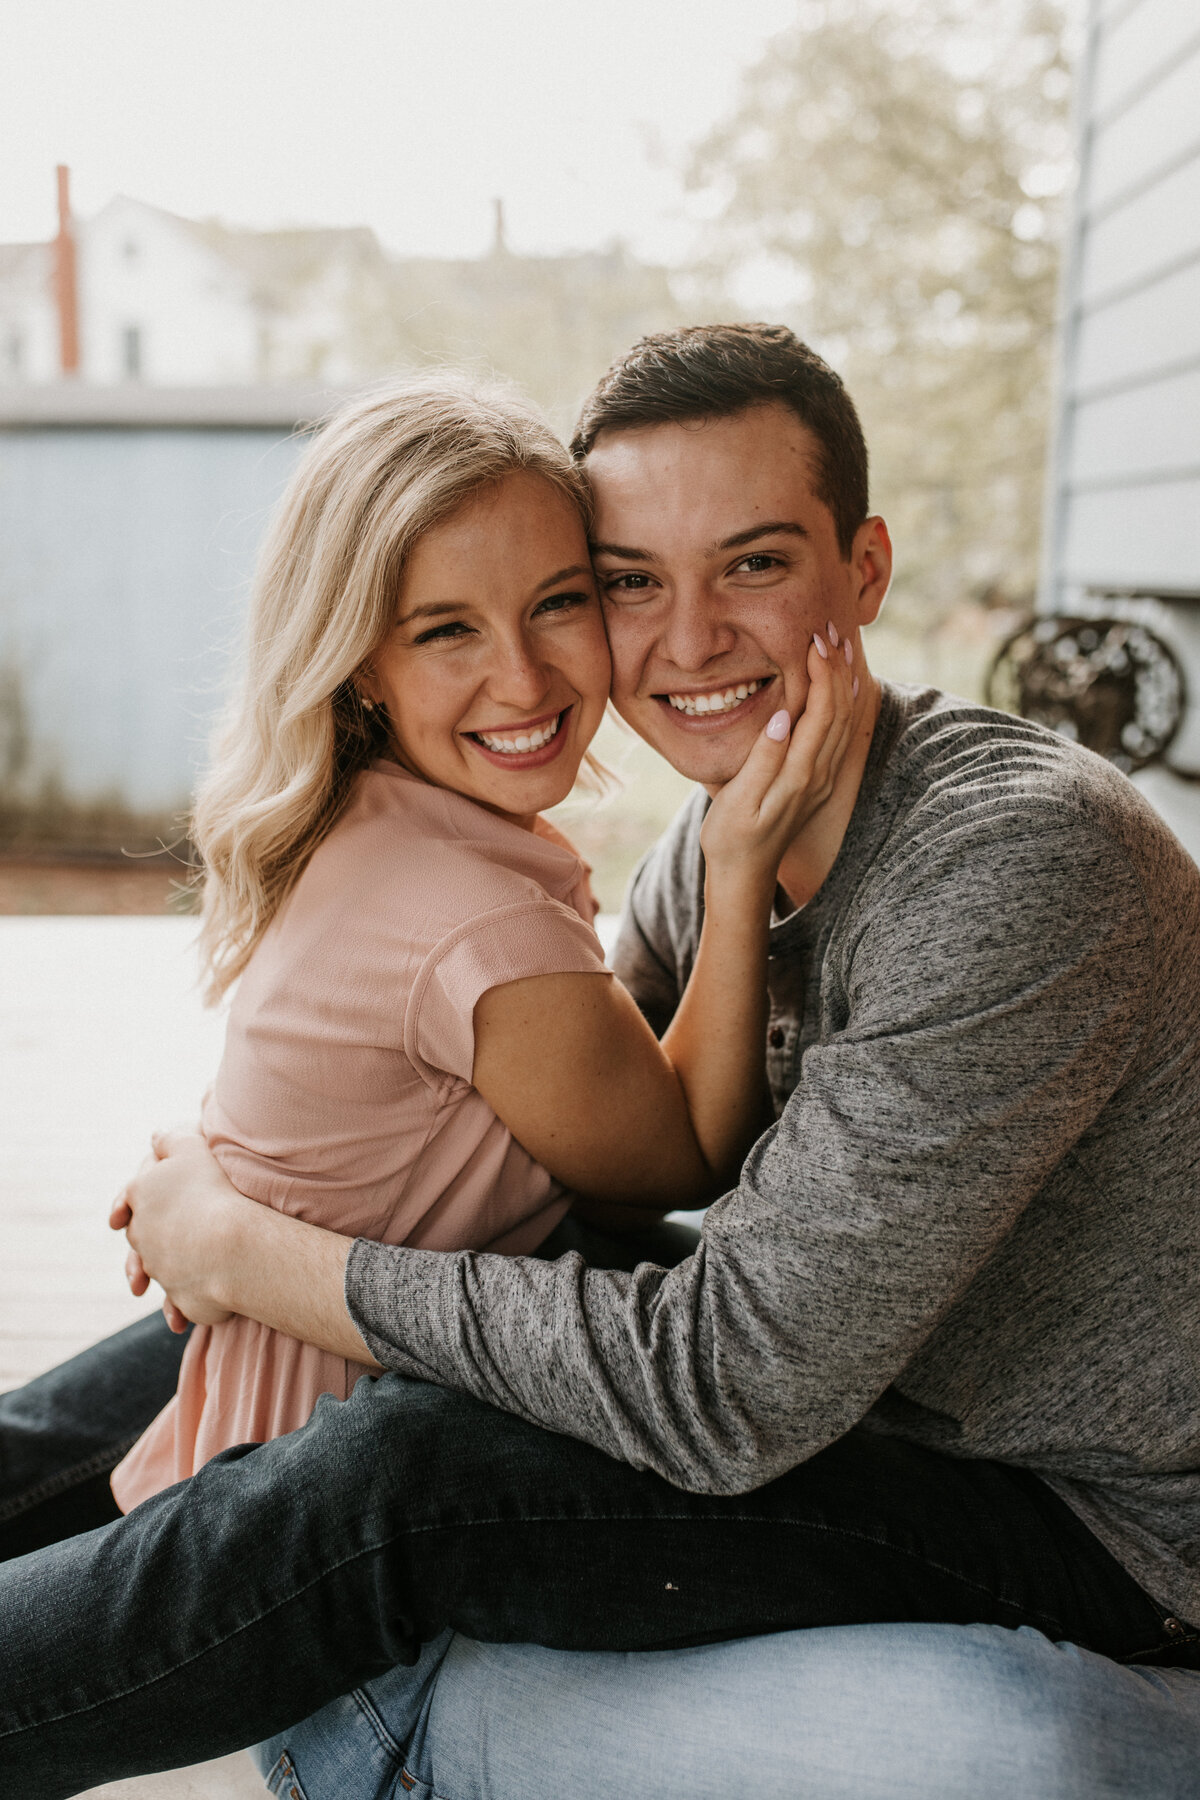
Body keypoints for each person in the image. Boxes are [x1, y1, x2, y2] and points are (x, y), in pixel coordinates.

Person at [2, 324, 1199, 1800]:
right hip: (851, 1397)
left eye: (754, 564)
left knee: (409, 1474)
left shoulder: (1016, 862)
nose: (687, 640)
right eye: (632, 582)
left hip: (1086, 1513)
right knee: (263, 1326)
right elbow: (575, 1154)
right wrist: (262, 1208)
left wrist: (254, 1249)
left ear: (866, 572)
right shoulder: (721, 839)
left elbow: (727, 1384)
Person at [104, 372, 850, 1514]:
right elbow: (684, 1158)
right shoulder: (471, 907)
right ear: (361, 661)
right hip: (316, 1491)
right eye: (448, 629)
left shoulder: (386, 814)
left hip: (283, 1399)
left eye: (560, 603)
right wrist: (739, 861)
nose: (524, 677)